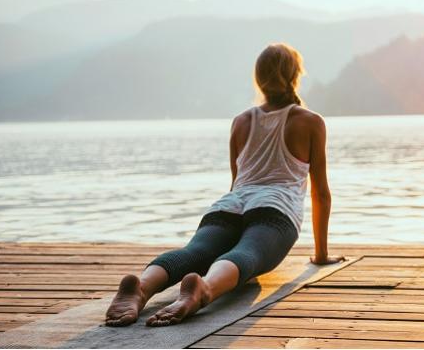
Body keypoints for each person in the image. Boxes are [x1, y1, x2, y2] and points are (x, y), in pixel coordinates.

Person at [104, 43, 345, 327]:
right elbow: (321, 194)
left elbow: (236, 182)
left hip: (229, 206)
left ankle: (142, 286)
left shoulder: (241, 121)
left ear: (259, 80)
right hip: (275, 211)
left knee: (193, 253)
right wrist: (320, 255)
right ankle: (203, 289)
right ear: (296, 76)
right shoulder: (310, 121)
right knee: (247, 255)